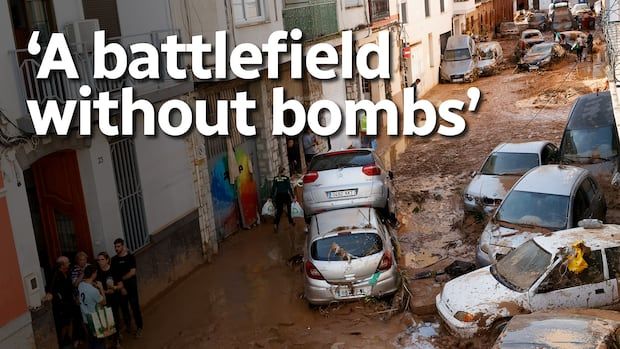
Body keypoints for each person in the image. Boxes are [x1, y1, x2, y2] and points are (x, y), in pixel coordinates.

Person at [111, 238, 144, 338]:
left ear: (123, 246)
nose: (116, 248)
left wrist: (121, 279)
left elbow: (132, 272)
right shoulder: (114, 260)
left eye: (118, 246)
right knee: (124, 309)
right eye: (115, 247)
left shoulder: (130, 257)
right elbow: (114, 275)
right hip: (121, 289)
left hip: (132, 288)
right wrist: (121, 287)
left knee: (135, 308)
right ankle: (128, 325)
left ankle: (139, 327)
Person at [47, 256, 75, 348]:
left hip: (69, 302)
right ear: (62, 265)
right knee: (64, 325)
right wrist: (53, 295)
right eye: (67, 262)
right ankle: (62, 343)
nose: (69, 263)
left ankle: (70, 341)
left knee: (70, 321)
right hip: (61, 305)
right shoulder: (56, 274)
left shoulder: (67, 272)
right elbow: (51, 288)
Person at [96, 252, 122, 348]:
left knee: (115, 319)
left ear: (107, 260)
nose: (100, 262)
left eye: (102, 259)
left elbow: (120, 285)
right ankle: (109, 340)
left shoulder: (114, 270)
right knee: (106, 321)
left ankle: (117, 341)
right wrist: (105, 292)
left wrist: (114, 288)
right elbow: (96, 289)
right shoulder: (97, 273)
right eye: (98, 260)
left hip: (114, 299)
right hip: (103, 301)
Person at [78, 265, 106, 349]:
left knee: (91, 340)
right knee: (99, 341)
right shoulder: (94, 291)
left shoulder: (81, 285)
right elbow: (104, 302)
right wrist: (101, 288)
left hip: (86, 318)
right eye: (96, 273)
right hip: (95, 319)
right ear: (93, 274)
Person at [271, 166, 295, 233]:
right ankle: (291, 222)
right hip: (285, 196)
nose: (285, 172)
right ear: (283, 171)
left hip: (278, 196)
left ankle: (276, 224)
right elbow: (289, 188)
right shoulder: (286, 178)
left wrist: (270, 197)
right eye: (284, 171)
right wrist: (293, 197)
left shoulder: (276, 178)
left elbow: (273, 188)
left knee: (279, 211)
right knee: (289, 209)